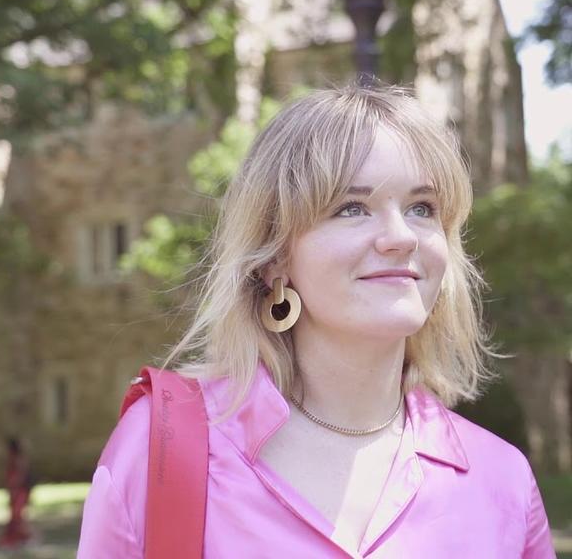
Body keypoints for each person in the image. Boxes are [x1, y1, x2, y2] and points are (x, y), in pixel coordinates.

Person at [78, 83, 555, 558]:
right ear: (275, 258)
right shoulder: (160, 447)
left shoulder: (503, 481)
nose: (401, 236)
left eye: (421, 208)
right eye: (352, 208)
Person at [0, 438, 33, 548]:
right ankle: (17, 538)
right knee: (15, 517)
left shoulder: (17, 460)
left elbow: (18, 479)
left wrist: (15, 492)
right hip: (16, 492)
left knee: (18, 517)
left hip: (18, 492)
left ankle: (23, 538)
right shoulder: (15, 460)